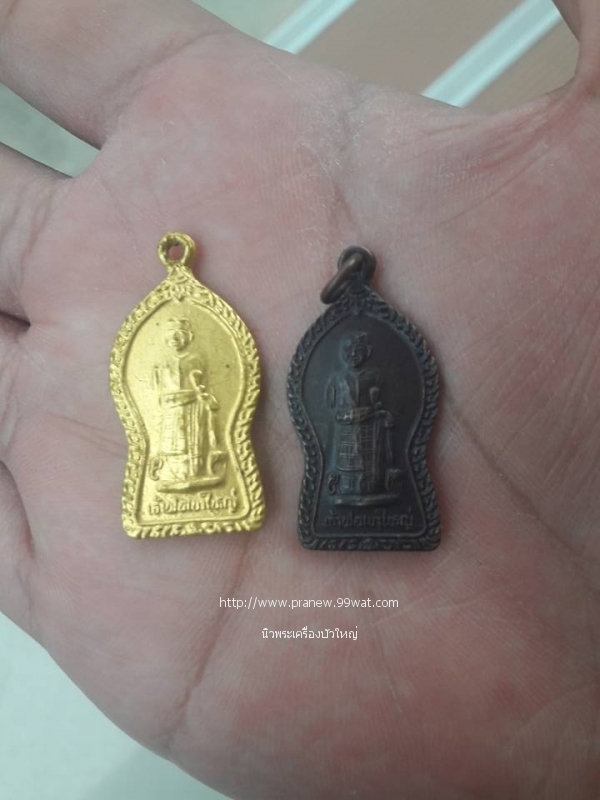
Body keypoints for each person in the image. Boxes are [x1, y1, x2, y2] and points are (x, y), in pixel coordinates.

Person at [0, 0, 597, 798]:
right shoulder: (195, 358)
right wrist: (187, 385)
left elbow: (359, 401)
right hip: (223, 430)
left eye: (359, 355)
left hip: (365, 438)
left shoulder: (356, 362)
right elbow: (181, 394)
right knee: (203, 438)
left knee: (354, 451)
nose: (357, 359)